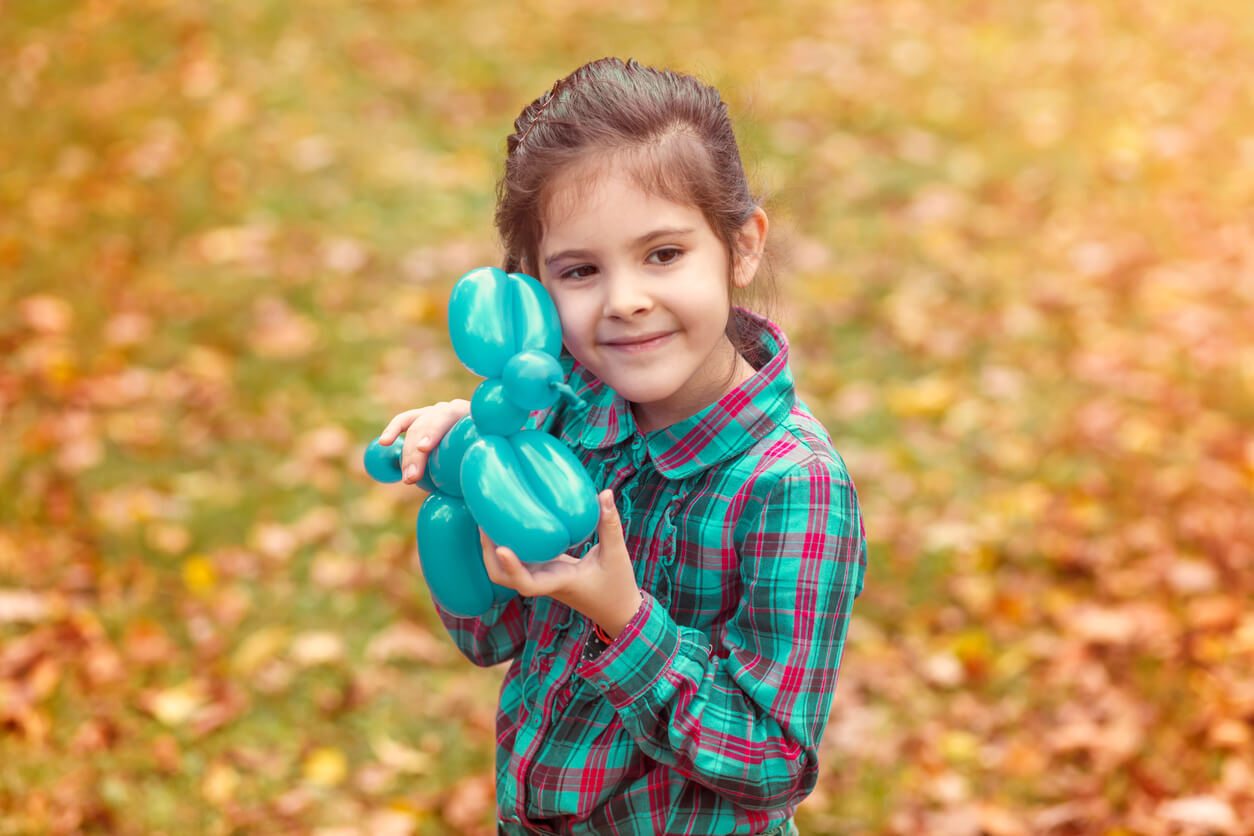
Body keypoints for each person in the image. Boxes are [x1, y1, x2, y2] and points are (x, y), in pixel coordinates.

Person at [377, 57, 866, 836]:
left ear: (741, 247)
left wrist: (623, 618)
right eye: (579, 270)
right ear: (533, 288)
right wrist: (476, 467)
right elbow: (494, 635)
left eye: (663, 254)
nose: (626, 300)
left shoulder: (791, 487)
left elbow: (774, 763)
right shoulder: (568, 418)